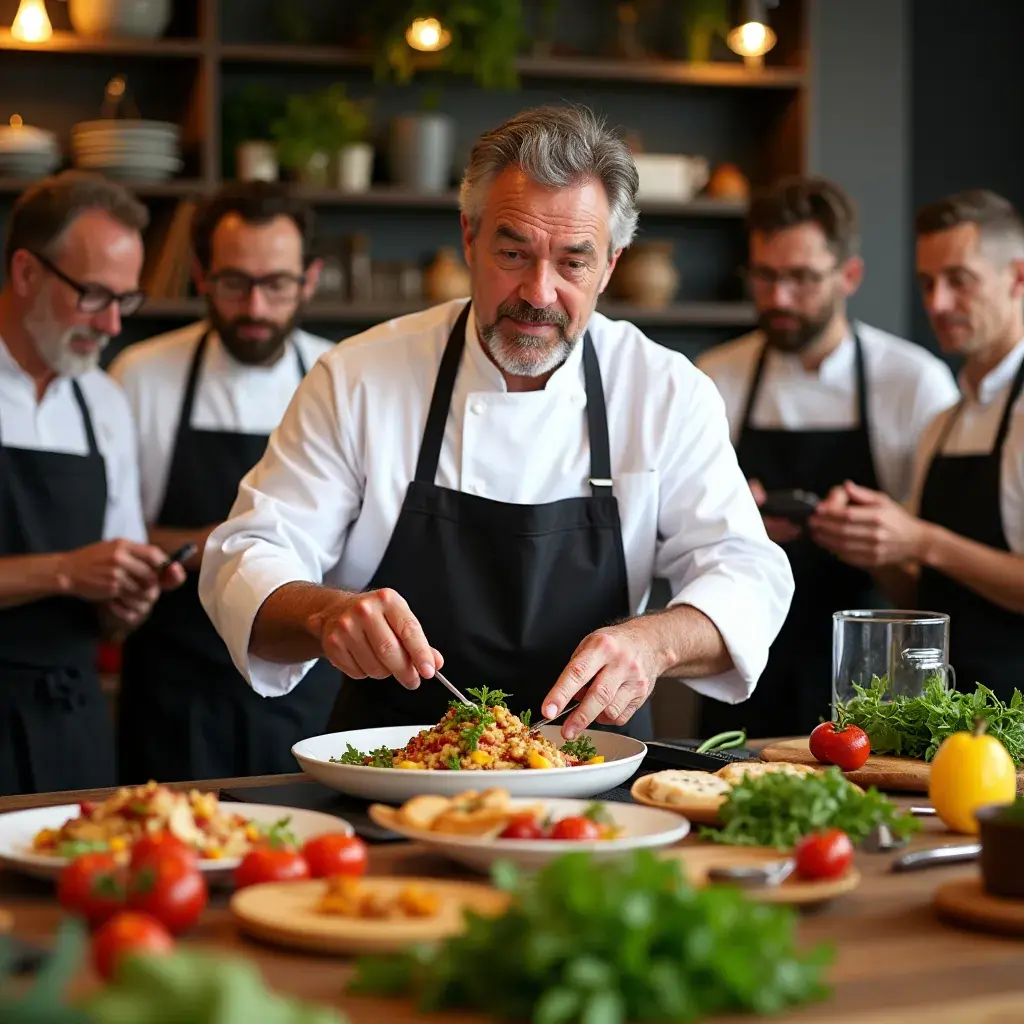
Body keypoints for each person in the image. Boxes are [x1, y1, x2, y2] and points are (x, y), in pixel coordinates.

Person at [197, 104, 795, 743]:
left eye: (573, 262)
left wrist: (653, 644)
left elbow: (747, 573)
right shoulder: (357, 377)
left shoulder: (665, 391)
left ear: (611, 266)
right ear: (469, 239)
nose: (538, 293)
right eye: (513, 252)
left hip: (597, 777)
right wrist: (324, 614)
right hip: (391, 775)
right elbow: (245, 556)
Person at [696, 177, 959, 737]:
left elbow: (936, 581)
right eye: (765, 276)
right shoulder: (715, 378)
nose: (779, 298)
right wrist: (735, 525)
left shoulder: (913, 383)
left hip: (873, 680)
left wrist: (875, 542)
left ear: (849, 276)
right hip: (746, 670)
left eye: (801, 278)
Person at [108, 182, 338, 783]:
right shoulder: (141, 376)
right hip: (174, 685)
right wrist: (226, 543)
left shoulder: (340, 380)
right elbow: (114, 541)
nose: (256, 308)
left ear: (309, 279)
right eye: (235, 283)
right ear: (200, 276)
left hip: (306, 685)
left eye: (277, 284)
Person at [0, 171, 185, 797]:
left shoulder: (103, 403)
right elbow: (74, 570)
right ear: (26, 272)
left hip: (69, 721)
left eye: (125, 301)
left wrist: (124, 602)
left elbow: (107, 613)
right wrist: (63, 571)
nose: (112, 325)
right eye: (94, 296)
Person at [810, 189, 1024, 702]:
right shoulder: (945, 422)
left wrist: (922, 539)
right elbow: (922, 594)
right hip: (945, 712)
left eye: (959, 282)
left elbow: (933, 550)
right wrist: (874, 544)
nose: (937, 303)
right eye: (927, 283)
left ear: (1017, 278)